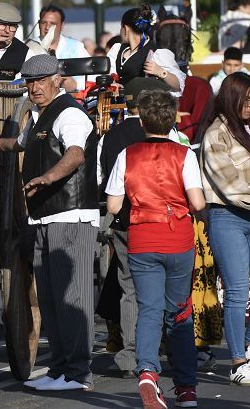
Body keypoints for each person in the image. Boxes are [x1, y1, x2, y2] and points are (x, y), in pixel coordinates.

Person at [0, 54, 95, 391]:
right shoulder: (38, 115)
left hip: (71, 215)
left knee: (71, 298)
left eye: (41, 80)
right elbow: (22, 144)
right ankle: (60, 370)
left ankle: (78, 374)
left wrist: (48, 177)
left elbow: (76, 154)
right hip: (44, 217)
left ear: (57, 80)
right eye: (30, 82)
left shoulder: (71, 113)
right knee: (48, 299)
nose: (34, 87)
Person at [105, 89, 206, 409]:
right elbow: (198, 202)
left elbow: (113, 204)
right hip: (177, 238)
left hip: (142, 237)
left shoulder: (127, 154)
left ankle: (147, 372)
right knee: (179, 312)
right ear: (171, 119)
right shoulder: (184, 154)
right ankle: (186, 387)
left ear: (143, 119)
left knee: (148, 310)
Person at [197, 72, 250, 386]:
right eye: (246, 100)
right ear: (232, 98)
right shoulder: (215, 134)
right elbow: (230, 186)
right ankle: (237, 362)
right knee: (235, 291)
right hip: (227, 216)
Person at [96, 78, 169, 378]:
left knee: (129, 287)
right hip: (163, 220)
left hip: (127, 221)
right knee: (161, 286)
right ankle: (159, 350)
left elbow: (102, 181)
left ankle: (130, 355)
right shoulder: (166, 133)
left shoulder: (110, 137)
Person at [108, 3, 184, 93]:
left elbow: (178, 86)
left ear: (125, 28)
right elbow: (107, 75)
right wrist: (111, 84)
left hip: (143, 105)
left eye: (121, 27)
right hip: (117, 104)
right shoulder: (117, 50)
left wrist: (161, 72)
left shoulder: (157, 53)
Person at [37, 4, 90, 92]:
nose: (47, 27)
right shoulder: (29, 47)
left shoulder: (76, 47)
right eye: (44, 23)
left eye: (53, 24)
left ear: (62, 26)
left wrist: (76, 84)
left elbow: (93, 77)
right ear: (39, 24)